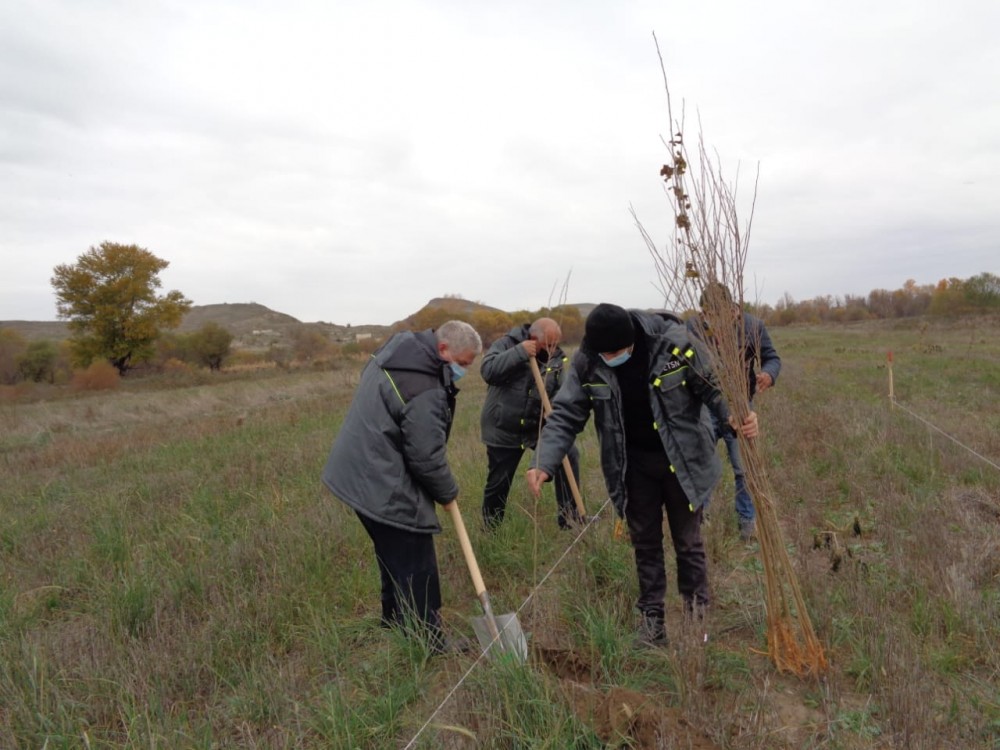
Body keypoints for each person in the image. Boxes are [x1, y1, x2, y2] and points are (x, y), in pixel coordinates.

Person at [526, 303, 758, 647]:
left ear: (633, 338)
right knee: (645, 545)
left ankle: (698, 620)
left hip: (684, 462)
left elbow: (714, 386)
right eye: (607, 353)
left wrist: (736, 415)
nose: (613, 357)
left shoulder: (675, 345)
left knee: (688, 543)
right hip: (631, 467)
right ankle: (652, 625)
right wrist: (543, 462)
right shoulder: (588, 361)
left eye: (619, 351)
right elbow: (566, 414)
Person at [321, 320, 483, 653]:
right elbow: (425, 456)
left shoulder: (399, 350)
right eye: (463, 364)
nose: (464, 371)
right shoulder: (424, 387)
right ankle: (428, 642)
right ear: (442, 349)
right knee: (415, 560)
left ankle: (394, 620)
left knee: (391, 553)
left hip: (358, 471)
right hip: (380, 480)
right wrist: (448, 491)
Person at [689, 283, 781, 542]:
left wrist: (768, 374)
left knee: (743, 466)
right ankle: (700, 518)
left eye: (719, 314)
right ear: (703, 312)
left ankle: (746, 521)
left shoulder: (753, 326)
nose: (714, 321)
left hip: (740, 405)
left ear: (732, 310)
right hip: (705, 407)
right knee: (702, 461)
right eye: (708, 315)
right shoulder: (693, 329)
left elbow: (772, 357)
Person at [480, 317, 581, 530]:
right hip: (504, 426)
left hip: (536, 426)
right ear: (534, 339)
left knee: (568, 453)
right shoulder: (507, 344)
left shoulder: (556, 357)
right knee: (499, 481)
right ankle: (491, 529)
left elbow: (559, 390)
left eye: (556, 344)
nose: (553, 349)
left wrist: (553, 409)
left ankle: (570, 518)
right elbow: (488, 371)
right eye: (548, 345)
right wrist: (520, 352)